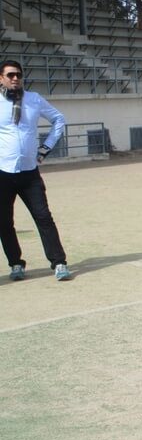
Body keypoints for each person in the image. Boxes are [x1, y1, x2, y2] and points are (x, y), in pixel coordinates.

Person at [0, 60, 72, 281]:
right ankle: (16, 264)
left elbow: (58, 119)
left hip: (30, 173)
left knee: (43, 217)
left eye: (18, 75)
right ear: (0, 78)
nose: (15, 79)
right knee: (4, 222)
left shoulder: (34, 99)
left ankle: (58, 262)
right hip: (3, 173)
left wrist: (46, 148)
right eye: (10, 75)